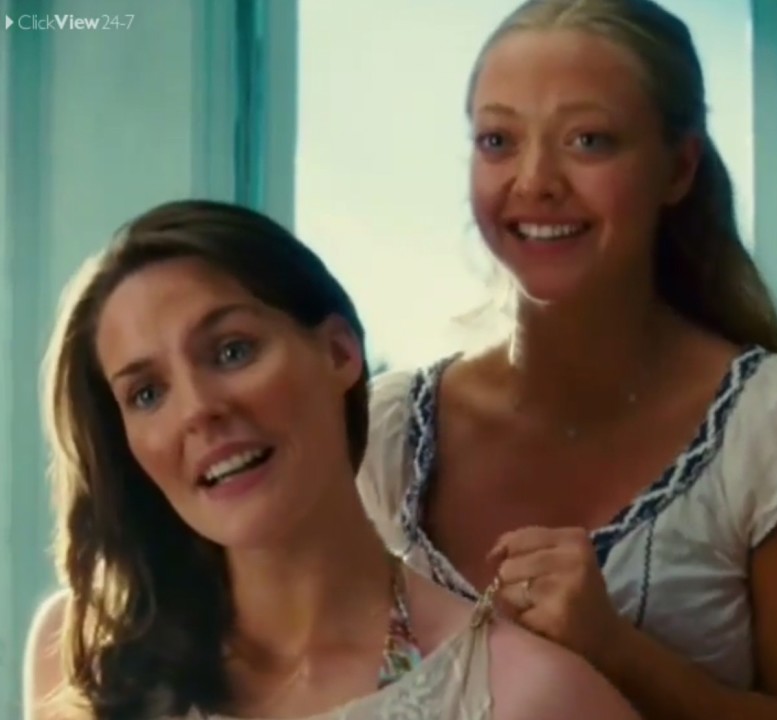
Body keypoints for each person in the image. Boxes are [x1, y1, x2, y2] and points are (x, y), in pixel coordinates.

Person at [355, 1, 777, 718]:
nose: (534, 181)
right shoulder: (383, 434)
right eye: (498, 141)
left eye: (589, 140)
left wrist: (614, 649)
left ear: (679, 168)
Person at [21, 200, 640, 720]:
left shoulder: (525, 695)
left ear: (339, 353)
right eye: (147, 394)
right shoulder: (81, 661)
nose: (198, 410)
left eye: (232, 351)